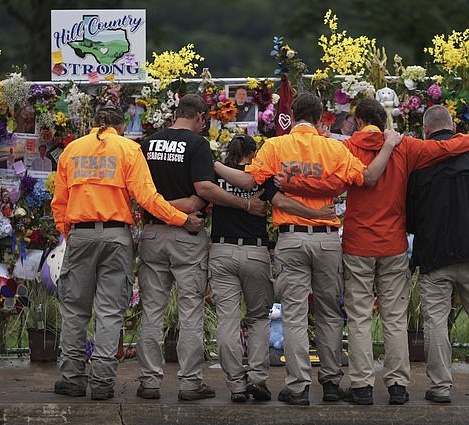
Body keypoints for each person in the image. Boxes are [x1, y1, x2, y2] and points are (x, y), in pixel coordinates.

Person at [277, 99, 469, 406]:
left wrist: (292, 182)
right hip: (393, 245)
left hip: (358, 244)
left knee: (359, 318)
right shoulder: (405, 146)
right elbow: (444, 148)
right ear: (383, 120)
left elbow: (327, 185)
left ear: (359, 122)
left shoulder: (346, 148)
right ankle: (398, 386)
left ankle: (361, 386)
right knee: (394, 318)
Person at [214, 92, 402, 406]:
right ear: (319, 119)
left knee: (295, 315)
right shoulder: (333, 148)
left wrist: (215, 165)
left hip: (291, 238)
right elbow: (368, 177)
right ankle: (330, 383)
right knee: (330, 313)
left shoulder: (275, 146)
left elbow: (251, 183)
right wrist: (388, 144)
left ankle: (298, 386)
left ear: (294, 115)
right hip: (327, 238)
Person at [50, 105, 203, 401]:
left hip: (80, 234)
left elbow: (59, 203)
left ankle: (71, 378)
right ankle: (103, 381)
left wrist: (73, 235)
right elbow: (148, 198)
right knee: (109, 311)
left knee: (75, 310)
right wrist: (183, 219)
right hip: (117, 236)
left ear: (94, 123)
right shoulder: (128, 149)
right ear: (120, 128)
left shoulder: (71, 150)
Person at [135, 94, 267, 402]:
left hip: (153, 233)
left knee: (151, 311)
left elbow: (141, 193)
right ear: (199, 118)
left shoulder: (147, 144)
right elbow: (203, 192)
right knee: (190, 311)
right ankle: (190, 383)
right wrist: (245, 205)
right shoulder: (197, 145)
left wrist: (157, 207)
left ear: (176, 113)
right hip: (186, 236)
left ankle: (149, 382)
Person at [211, 134, 336, 403]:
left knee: (228, 319)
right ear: (253, 154)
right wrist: (317, 215)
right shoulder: (260, 176)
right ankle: (257, 378)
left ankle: (235, 385)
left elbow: (203, 194)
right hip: (255, 252)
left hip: (221, 250)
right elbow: (281, 202)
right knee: (258, 318)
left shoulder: (217, 174)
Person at [406, 105, 469, 404]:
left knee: (435, 321)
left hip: (435, 255)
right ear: (453, 126)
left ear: (425, 130)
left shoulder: (419, 160)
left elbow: (410, 214)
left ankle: (441, 387)